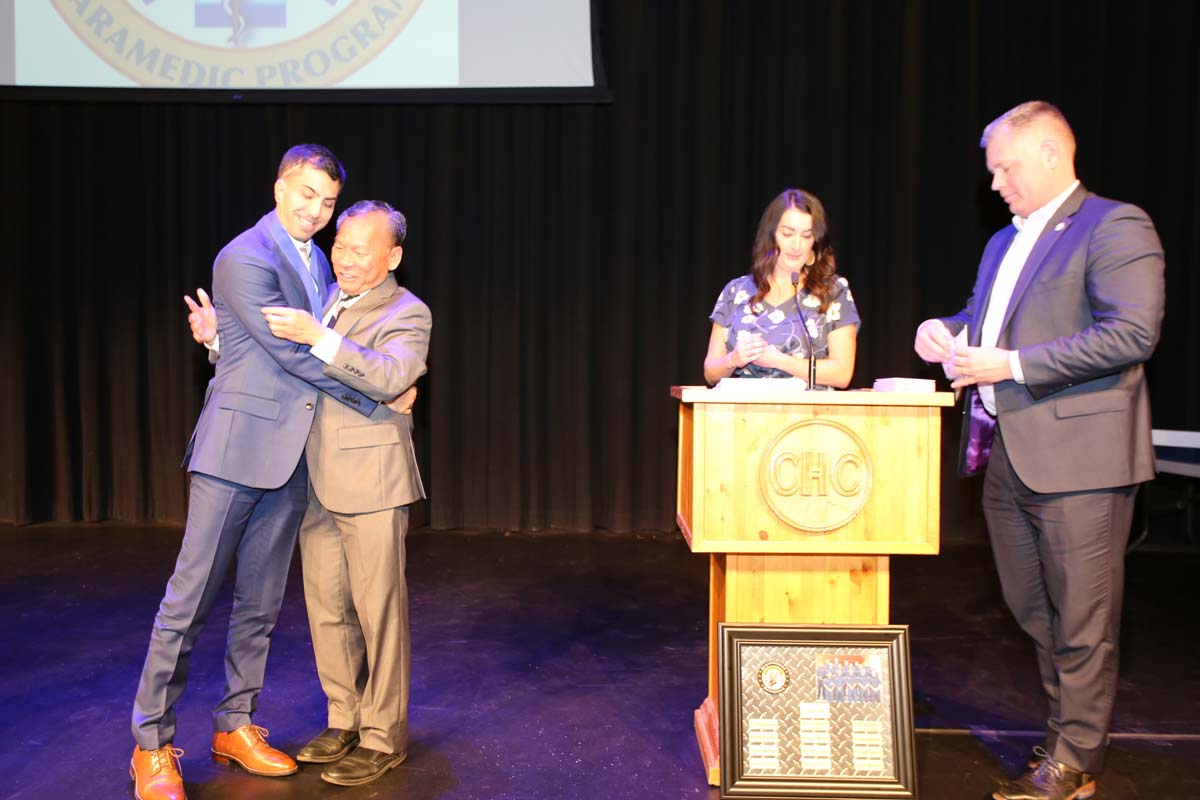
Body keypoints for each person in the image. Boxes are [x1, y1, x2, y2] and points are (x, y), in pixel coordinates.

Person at [913, 101, 1165, 800]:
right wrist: (943, 330)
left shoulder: (1116, 225)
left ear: (1052, 153)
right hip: (1009, 457)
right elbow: (982, 322)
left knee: (1083, 619)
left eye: (1005, 167)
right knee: (1034, 612)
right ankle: (1063, 735)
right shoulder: (1002, 243)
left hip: (1082, 460)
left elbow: (1131, 334)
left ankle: (1075, 759)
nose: (995, 183)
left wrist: (1012, 365)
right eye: (991, 171)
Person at [130, 144, 380, 800]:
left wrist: (219, 343)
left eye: (326, 203)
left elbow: (266, 352)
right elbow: (293, 356)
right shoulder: (245, 256)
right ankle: (151, 743)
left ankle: (234, 725)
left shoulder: (320, 260)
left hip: (294, 456)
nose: (315, 211)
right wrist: (377, 394)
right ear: (278, 188)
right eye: (305, 195)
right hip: (235, 453)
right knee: (188, 603)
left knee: (261, 606)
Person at [191, 200, 430, 787]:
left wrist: (324, 340)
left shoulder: (407, 310)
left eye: (361, 250)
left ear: (393, 256)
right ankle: (344, 719)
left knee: (380, 615)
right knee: (327, 612)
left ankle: (382, 736)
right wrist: (217, 345)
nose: (345, 259)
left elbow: (392, 375)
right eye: (340, 246)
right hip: (310, 477)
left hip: (372, 482)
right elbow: (282, 366)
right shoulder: (319, 295)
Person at [704, 188, 859, 388]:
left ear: (815, 241)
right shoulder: (735, 291)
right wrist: (734, 359)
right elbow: (710, 372)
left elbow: (842, 373)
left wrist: (779, 361)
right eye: (787, 234)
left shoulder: (833, 291)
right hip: (743, 415)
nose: (797, 245)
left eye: (806, 236)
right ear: (771, 235)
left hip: (810, 417)